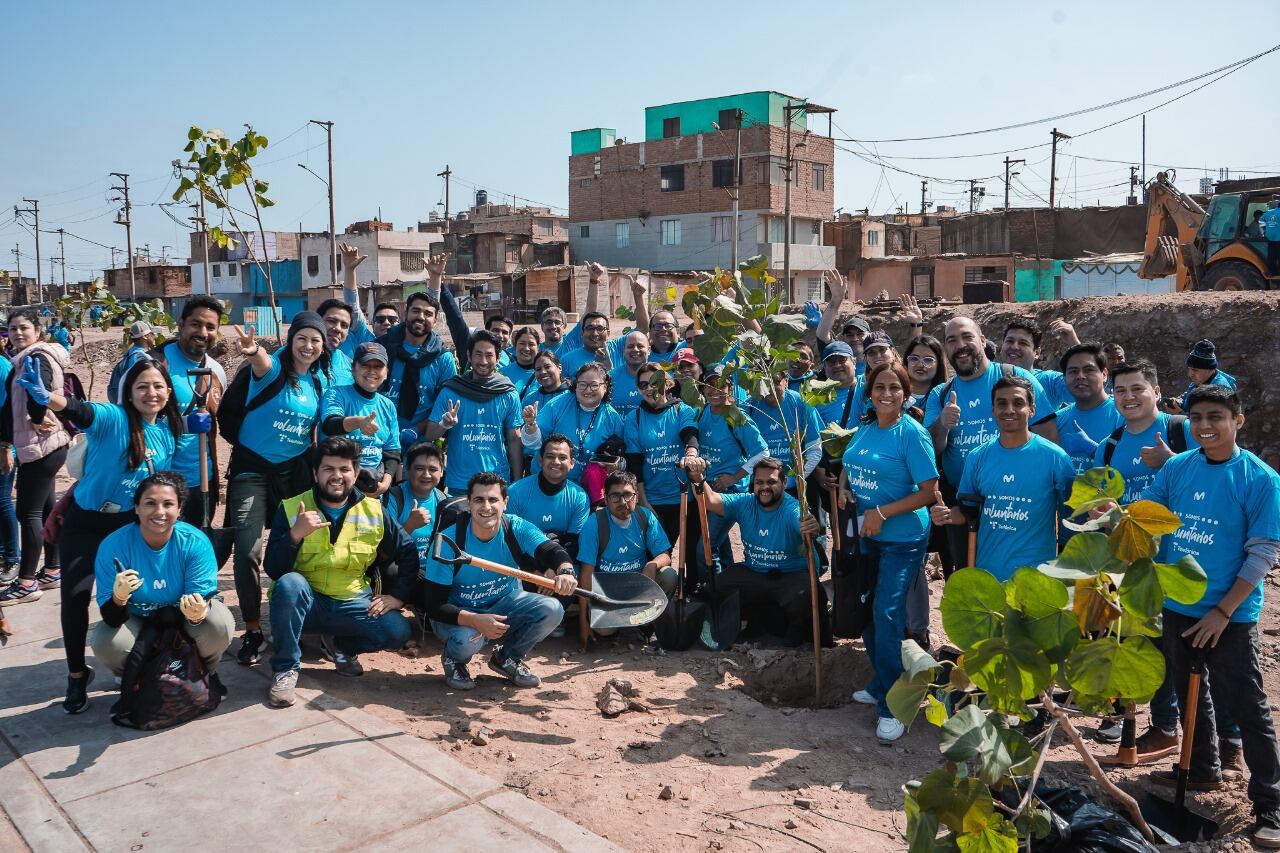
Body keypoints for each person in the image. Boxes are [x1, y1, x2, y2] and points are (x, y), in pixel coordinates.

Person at [1140, 386, 1280, 847]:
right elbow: (1151, 515)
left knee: (1245, 704)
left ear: (1237, 420)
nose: (1204, 426)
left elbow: (1262, 553)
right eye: (1197, 417)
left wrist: (1223, 611)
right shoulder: (1179, 467)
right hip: (1178, 606)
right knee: (1187, 692)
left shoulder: (1259, 479)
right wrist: (1116, 513)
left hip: (1230, 615)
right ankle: (1201, 770)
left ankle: (1270, 803)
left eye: (1215, 417)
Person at [16, 357, 183, 713]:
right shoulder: (114, 419)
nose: (150, 393)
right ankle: (77, 675)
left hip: (127, 527)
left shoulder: (168, 435)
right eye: (142, 387)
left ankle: (144, 661)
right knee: (75, 597)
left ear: (168, 391)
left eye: (157, 386)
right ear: (129, 392)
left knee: (132, 598)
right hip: (86, 523)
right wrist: (48, 397)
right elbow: (80, 410)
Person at [1093, 360, 1207, 757]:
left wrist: (1171, 459)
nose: (1128, 397)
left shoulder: (1183, 431)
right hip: (1131, 564)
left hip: (1180, 562)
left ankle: (1220, 744)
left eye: (1137, 389)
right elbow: (1098, 504)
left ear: (1156, 392)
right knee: (1145, 644)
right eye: (1120, 391)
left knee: (1189, 654)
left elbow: (1211, 482)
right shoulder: (1108, 446)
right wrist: (1100, 513)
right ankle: (1163, 727)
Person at [262, 438, 419, 706]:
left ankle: (344, 649)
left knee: (397, 630)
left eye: (344, 469)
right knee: (289, 584)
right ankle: (286, 667)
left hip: (353, 602)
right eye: (328, 469)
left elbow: (408, 552)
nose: (337, 476)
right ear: (315, 473)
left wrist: (399, 598)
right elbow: (274, 568)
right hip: (308, 603)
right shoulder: (291, 508)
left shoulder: (373, 510)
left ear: (355, 474)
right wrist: (295, 535)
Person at [838, 361, 939, 743]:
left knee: (888, 611)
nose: (886, 394)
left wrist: (880, 512)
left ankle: (893, 706)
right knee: (868, 610)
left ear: (905, 392)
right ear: (869, 391)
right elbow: (850, 464)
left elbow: (929, 492)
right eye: (880, 386)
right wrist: (846, 489)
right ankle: (883, 680)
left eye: (894, 387)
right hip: (867, 535)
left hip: (903, 539)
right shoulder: (865, 427)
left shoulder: (911, 434)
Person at [226, 314, 328, 667]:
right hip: (252, 471)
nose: (309, 346)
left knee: (300, 546)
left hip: (293, 476)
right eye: (302, 338)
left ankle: (296, 618)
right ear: (290, 339)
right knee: (248, 552)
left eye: (316, 340)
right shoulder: (272, 371)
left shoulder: (318, 382)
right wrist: (253, 349)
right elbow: (260, 359)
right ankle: (253, 628)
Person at [926, 317, 1059, 573]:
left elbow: (1048, 435)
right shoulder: (940, 394)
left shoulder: (1015, 377)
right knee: (970, 577)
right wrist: (943, 423)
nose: (960, 345)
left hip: (1017, 499)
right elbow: (932, 450)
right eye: (952, 340)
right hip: (964, 503)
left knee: (1019, 575)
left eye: (967, 337)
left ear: (983, 341)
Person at [422, 471, 577, 690]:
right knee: (469, 637)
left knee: (553, 609)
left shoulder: (515, 527)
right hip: (459, 613)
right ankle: (454, 660)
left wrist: (566, 570)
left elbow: (551, 550)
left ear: (505, 502)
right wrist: (476, 620)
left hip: (504, 603)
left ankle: (507, 658)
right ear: (469, 503)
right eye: (479, 500)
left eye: (493, 499)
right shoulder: (447, 542)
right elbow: (434, 606)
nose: (486, 507)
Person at [91, 471, 234, 685]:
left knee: (219, 622)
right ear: (137, 507)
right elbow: (112, 618)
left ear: (179, 509)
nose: (159, 512)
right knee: (105, 641)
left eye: (168, 504)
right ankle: (134, 676)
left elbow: (200, 604)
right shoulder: (113, 546)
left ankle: (205, 671)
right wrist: (118, 599)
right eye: (150, 503)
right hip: (138, 620)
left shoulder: (195, 543)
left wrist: (197, 613)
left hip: (183, 620)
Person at [930, 375, 1075, 583]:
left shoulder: (1056, 458)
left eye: (1018, 403)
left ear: (1032, 410)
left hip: (1037, 580)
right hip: (988, 577)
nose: (1009, 410)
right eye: (1001, 403)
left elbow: (1070, 517)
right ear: (993, 410)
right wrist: (947, 516)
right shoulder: (977, 457)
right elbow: (968, 512)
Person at [685, 456, 826, 647]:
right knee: (716, 588)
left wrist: (810, 526)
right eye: (759, 482)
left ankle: (795, 631)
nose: (764, 487)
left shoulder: (793, 508)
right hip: (755, 572)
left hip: (791, 575)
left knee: (806, 593)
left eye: (771, 482)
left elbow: (804, 522)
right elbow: (709, 500)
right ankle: (743, 624)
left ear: (784, 483)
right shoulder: (745, 502)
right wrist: (697, 477)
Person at [0, 308, 68, 604]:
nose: (17, 333)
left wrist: (37, 415)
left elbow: (38, 393)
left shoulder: (35, 357)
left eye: (23, 328)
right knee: (47, 509)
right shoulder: (26, 357)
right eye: (13, 328)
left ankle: (26, 582)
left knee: (27, 513)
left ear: (38, 331)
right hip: (45, 444)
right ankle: (52, 569)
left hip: (40, 446)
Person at [150, 294, 227, 527]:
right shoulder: (152, 364)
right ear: (181, 325)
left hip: (201, 481)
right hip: (157, 480)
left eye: (210, 327)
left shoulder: (216, 371)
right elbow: (129, 420)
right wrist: (182, 424)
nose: (203, 332)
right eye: (196, 324)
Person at [425, 330, 523, 495]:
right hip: (460, 482)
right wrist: (444, 425)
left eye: (489, 355)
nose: (483, 361)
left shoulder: (508, 393)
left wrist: (518, 480)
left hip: (497, 480)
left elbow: (514, 439)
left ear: (498, 358)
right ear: (469, 356)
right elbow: (429, 435)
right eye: (478, 354)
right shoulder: (451, 391)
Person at [622, 363, 699, 551]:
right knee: (658, 554)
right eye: (643, 385)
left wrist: (691, 452)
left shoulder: (683, 410)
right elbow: (634, 462)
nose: (649, 388)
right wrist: (644, 502)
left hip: (684, 497)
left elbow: (690, 434)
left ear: (668, 383)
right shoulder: (634, 418)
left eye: (654, 382)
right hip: (653, 500)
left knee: (691, 556)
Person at [376, 279, 457, 449]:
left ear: (435, 321)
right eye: (416, 311)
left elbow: (442, 406)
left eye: (428, 314)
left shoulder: (443, 358)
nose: (421, 317)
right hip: (376, 438)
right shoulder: (382, 347)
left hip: (417, 445)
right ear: (405, 314)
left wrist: (416, 430)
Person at [320, 342, 401, 497]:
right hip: (338, 485)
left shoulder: (388, 405)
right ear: (353, 368)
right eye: (365, 365)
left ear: (386, 372)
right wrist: (358, 422)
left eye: (378, 366)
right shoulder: (336, 394)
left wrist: (385, 484)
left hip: (374, 487)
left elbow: (392, 450)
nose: (372, 371)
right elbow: (330, 424)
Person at [522, 363, 623, 484]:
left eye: (594, 385)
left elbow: (623, 460)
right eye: (582, 385)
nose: (588, 390)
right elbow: (533, 444)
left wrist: (615, 464)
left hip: (588, 489)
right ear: (575, 385)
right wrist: (531, 425)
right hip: (547, 481)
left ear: (605, 387)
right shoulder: (558, 405)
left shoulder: (613, 418)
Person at [1054, 343, 1124, 474]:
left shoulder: (1124, 417)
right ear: (1064, 378)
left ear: (1104, 374)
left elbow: (1135, 467)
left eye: (1088, 370)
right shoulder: (1056, 421)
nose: (1080, 376)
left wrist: (1092, 449)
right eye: (1073, 371)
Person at [748, 372, 823, 492]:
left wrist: (794, 480)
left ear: (786, 381)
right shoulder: (749, 407)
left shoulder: (801, 403)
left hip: (795, 486)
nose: (769, 388)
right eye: (764, 383)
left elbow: (814, 450)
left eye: (775, 382)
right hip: (760, 486)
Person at [386, 441, 445, 567]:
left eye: (433, 469)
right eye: (419, 468)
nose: (426, 475)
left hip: (434, 571)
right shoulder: (392, 498)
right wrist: (409, 525)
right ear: (407, 469)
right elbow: (385, 550)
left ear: (442, 472)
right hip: (403, 568)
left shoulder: (445, 501)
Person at [999, 321, 1069, 411]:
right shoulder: (989, 378)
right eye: (1009, 341)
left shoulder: (1050, 381)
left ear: (1037, 352)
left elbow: (1089, 389)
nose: (1014, 347)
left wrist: (1073, 342)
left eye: (1023, 343)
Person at [1163, 339, 1237, 414]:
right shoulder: (1201, 380)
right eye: (1190, 369)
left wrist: (1179, 413)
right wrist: (1178, 401)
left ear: (1210, 370)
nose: (1190, 374)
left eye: (1195, 370)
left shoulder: (1219, 392)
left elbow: (1208, 423)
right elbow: (1188, 394)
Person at [107, 321, 156, 404]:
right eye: (152, 334)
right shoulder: (139, 356)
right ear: (145, 336)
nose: (155, 337)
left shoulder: (131, 352)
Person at [608, 331, 650, 416]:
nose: (635, 349)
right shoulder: (610, 378)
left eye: (640, 346)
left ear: (649, 350)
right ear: (624, 350)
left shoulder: (659, 376)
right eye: (630, 346)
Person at [904, 335, 946, 410]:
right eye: (914, 359)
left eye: (928, 360)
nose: (920, 365)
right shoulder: (894, 395)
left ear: (939, 365)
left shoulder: (947, 396)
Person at [502, 326, 542, 399]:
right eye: (522, 343)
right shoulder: (502, 373)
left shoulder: (546, 373)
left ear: (538, 347)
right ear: (515, 345)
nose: (526, 348)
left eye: (531, 344)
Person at [1261, 196, 1280, 272]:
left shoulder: (1268, 213)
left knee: (1272, 256)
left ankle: (1272, 272)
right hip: (1279, 239)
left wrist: (1264, 231)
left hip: (1270, 238)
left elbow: (1260, 221)